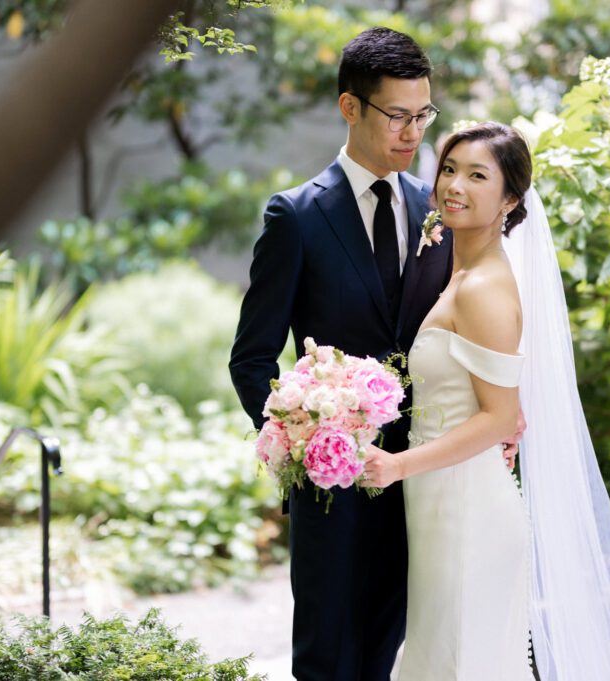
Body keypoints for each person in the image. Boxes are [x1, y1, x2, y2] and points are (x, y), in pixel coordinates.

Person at [361, 122, 610, 681]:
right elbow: (502, 404)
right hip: (442, 502)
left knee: (458, 664)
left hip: (467, 511)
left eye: (478, 175)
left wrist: (396, 464)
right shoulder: (461, 274)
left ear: (511, 199)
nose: (454, 185)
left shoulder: (482, 288)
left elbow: (496, 417)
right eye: (449, 169)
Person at [229, 27, 452, 681]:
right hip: (332, 489)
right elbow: (251, 357)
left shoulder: (434, 208)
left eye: (423, 115)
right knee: (328, 661)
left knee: (392, 653)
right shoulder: (295, 216)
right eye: (397, 116)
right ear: (350, 107)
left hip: (422, 476)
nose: (412, 133)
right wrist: (298, 443)